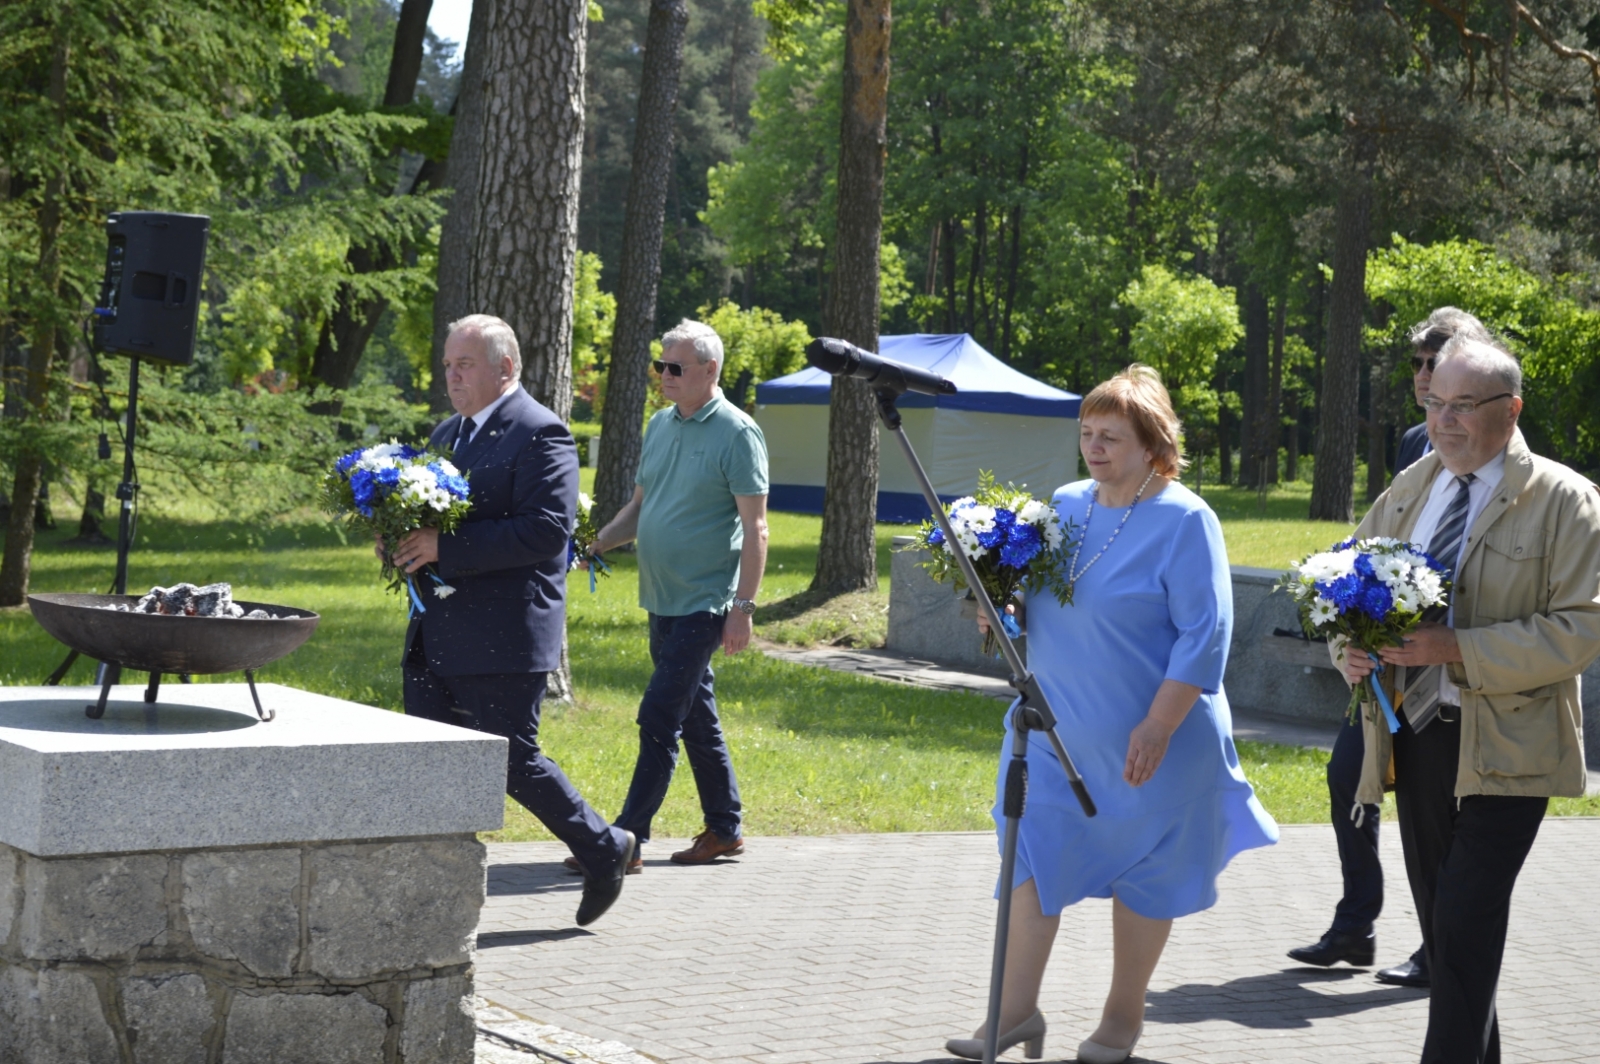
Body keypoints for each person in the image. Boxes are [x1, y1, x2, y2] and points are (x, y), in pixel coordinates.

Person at [945, 365, 1278, 1064]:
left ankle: (1122, 1020)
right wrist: (997, 610)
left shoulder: (1186, 518)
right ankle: (1012, 1014)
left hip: (1154, 740)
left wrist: (1158, 724)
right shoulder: (1064, 506)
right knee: (1031, 861)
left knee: (1145, 875)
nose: (1094, 448)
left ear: (1154, 444)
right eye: (1087, 434)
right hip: (1053, 731)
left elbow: (1205, 634)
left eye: (1112, 437)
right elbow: (1032, 601)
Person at [1336, 338, 1600, 1064]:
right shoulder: (1414, 486)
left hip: (1510, 747)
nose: (1443, 422)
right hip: (1416, 739)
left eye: (1462, 406)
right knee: (1451, 933)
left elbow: (1581, 629)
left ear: (1510, 411)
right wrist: (1350, 650)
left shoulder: (1566, 501)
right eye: (1433, 403)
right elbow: (1345, 578)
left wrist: (1458, 648)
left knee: (1462, 922)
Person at [389, 314, 636, 927]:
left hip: (504, 632)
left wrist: (446, 547)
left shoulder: (540, 433)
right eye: (447, 365)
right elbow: (432, 518)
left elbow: (547, 531)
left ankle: (604, 848)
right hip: (437, 628)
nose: (451, 376)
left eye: (464, 364)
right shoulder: (447, 432)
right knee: (432, 761)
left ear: (506, 367)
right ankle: (434, 898)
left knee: (511, 760)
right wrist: (401, 539)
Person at [1290, 307, 1493, 988]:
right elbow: (1377, 547)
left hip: (1460, 679)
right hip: (1387, 665)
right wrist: (1353, 629)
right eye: (1417, 364)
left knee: (1436, 817)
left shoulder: (1498, 439)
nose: (1423, 376)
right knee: (1350, 776)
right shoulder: (1412, 443)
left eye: (1438, 361)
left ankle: (1439, 948)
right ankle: (1355, 924)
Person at [581, 319, 769, 868]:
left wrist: (742, 609)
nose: (663, 375)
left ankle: (625, 841)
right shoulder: (660, 425)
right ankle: (725, 829)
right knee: (695, 716)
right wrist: (594, 544)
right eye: (660, 365)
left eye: (675, 367)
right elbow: (641, 507)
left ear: (711, 371)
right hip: (660, 599)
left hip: (705, 602)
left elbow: (756, 528)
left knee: (659, 715)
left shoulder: (738, 432)